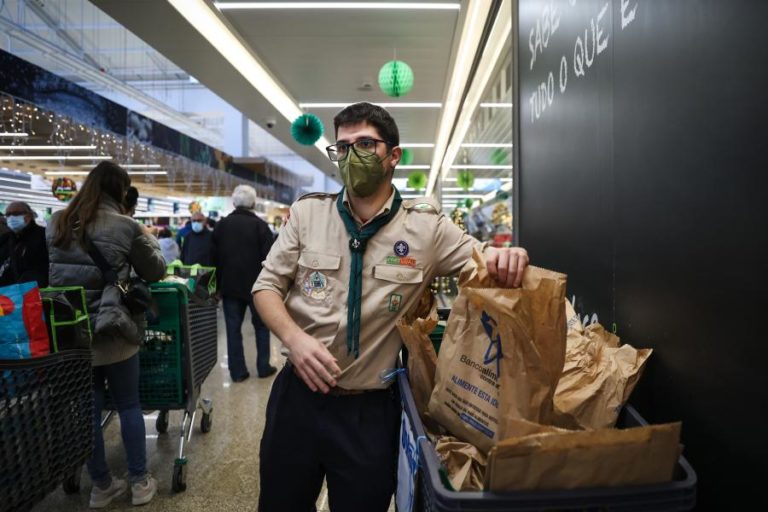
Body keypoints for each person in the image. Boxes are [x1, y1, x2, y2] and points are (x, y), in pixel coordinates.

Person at [252, 102, 529, 512]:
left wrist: (509, 256)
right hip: (298, 401)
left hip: (369, 411)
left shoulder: (427, 228)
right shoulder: (309, 215)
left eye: (365, 143)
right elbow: (266, 286)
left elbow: (484, 260)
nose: (351, 156)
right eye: (342, 148)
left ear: (393, 155)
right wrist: (294, 338)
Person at [46, 161, 166, 508]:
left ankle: (100, 485)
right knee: (129, 404)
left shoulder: (57, 221)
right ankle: (140, 483)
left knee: (89, 409)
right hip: (115, 326)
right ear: (120, 190)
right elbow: (155, 271)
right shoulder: (125, 226)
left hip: (74, 329)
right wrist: (148, 240)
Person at [212, 185, 276, 382]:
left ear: (233, 203)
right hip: (258, 287)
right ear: (254, 204)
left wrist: (216, 287)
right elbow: (270, 259)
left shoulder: (221, 226)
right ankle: (263, 366)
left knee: (233, 330)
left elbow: (213, 258)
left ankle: (238, 372)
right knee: (262, 326)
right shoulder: (261, 227)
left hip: (230, 286)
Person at [0, 201, 49, 288]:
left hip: (29, 292)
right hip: (6, 293)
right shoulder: (5, 239)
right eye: (8, 215)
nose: (11, 217)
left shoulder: (43, 235)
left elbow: (42, 268)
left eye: (16, 213)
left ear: (29, 216)